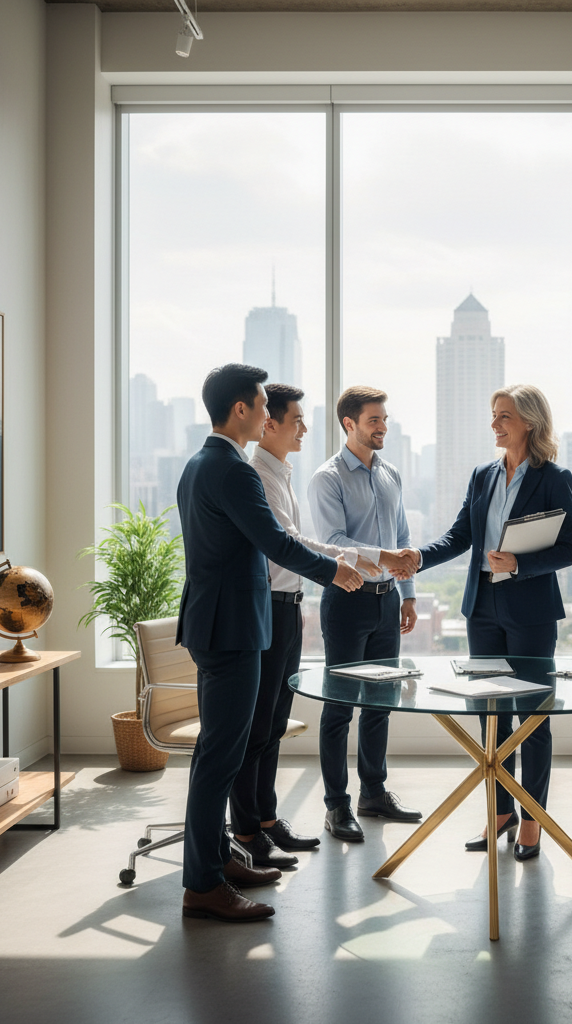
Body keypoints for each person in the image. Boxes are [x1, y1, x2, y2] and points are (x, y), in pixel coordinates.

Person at [176, 363, 364, 924]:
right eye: (261, 405)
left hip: (217, 624)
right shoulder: (233, 470)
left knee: (220, 752)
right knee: (221, 758)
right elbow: (275, 542)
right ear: (241, 410)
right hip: (232, 629)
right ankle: (203, 885)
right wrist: (336, 571)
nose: (266, 412)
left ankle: (219, 859)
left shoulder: (199, 463)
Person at [408, 384, 572, 860]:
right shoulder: (483, 475)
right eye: (493, 414)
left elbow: (567, 548)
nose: (494, 424)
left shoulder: (554, 477)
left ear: (528, 421)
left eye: (503, 415)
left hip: (530, 613)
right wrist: (418, 557)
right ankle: (500, 812)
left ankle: (532, 820)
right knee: (491, 717)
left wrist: (520, 565)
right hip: (482, 608)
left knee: (533, 718)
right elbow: (461, 534)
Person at [231, 383, 386, 868]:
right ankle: (247, 830)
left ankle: (268, 821)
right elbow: (290, 545)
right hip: (270, 606)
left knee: (274, 722)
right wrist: (347, 563)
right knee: (258, 726)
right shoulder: (257, 474)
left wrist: (347, 560)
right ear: (268, 423)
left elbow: (298, 542)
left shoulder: (281, 473)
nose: (303, 427)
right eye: (296, 419)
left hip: (289, 604)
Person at [308, 385, 423, 843]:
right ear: (348, 424)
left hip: (387, 599)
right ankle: (336, 806)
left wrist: (408, 592)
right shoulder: (327, 477)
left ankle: (373, 793)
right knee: (340, 706)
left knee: (380, 703)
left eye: (384, 419)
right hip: (348, 599)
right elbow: (333, 541)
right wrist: (385, 556)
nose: (383, 427)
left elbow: (402, 531)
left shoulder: (390, 473)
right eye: (374, 420)